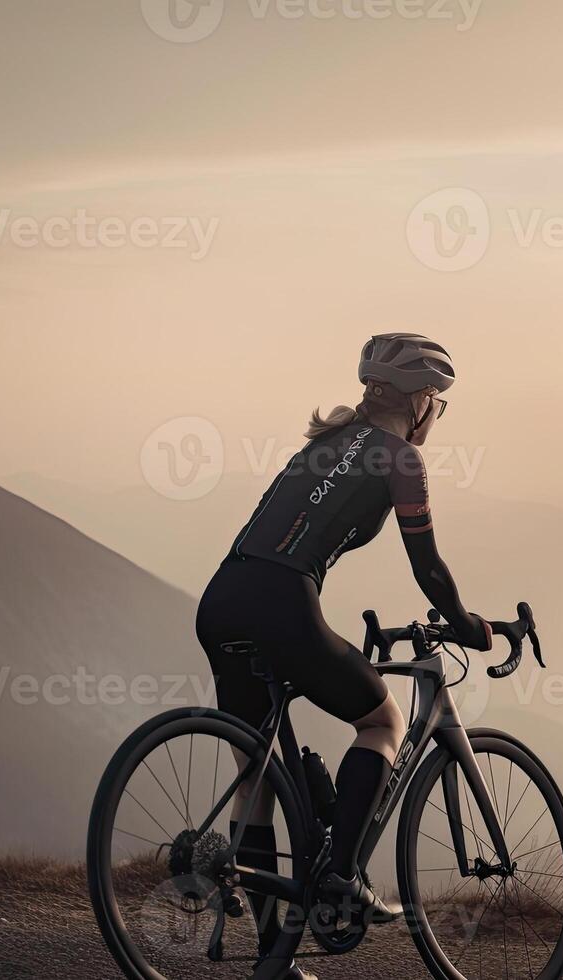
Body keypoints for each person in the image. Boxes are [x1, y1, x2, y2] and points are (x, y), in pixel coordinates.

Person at [195, 333, 491, 976]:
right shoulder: (399, 459)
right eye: (438, 402)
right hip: (280, 602)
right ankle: (342, 877)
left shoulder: (323, 444)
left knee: (257, 774)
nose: (437, 415)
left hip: (221, 600)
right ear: (418, 403)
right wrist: (469, 625)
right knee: (382, 721)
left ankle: (273, 957)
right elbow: (430, 572)